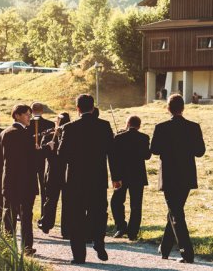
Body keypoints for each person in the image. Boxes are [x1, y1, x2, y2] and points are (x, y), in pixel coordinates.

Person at [58, 94, 115, 264]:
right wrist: (116, 177)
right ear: (93, 107)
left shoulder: (69, 127)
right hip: (98, 177)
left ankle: (79, 256)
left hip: (75, 179)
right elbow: (112, 152)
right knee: (98, 212)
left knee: (76, 216)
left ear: (78, 109)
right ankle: (98, 240)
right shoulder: (104, 126)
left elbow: (62, 155)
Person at [151, 94, 205, 263]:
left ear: (168, 108)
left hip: (169, 176)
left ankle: (186, 252)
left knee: (176, 214)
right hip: (186, 175)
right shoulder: (194, 127)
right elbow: (200, 151)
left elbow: (154, 149)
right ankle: (165, 249)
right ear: (183, 108)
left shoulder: (161, 127)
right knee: (176, 211)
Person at [1, 104, 38, 255]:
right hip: (25, 181)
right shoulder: (23, 134)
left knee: (9, 215)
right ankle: (26, 248)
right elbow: (31, 159)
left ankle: (8, 247)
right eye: (26, 114)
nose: (29, 117)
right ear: (17, 115)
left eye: (30, 114)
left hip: (10, 180)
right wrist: (46, 149)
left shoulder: (5, 132)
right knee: (25, 216)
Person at [110, 115, 151, 241]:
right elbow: (147, 156)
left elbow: (113, 159)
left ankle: (121, 226)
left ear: (127, 124)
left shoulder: (118, 137)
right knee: (136, 205)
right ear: (139, 126)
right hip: (138, 176)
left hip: (121, 175)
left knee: (116, 202)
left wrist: (115, 178)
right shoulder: (144, 137)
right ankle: (133, 233)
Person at [38, 112, 71, 237]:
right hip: (67, 171)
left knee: (50, 199)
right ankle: (66, 230)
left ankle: (46, 224)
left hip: (53, 171)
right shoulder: (71, 136)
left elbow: (42, 153)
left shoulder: (49, 136)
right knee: (67, 201)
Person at [30, 102, 55, 217]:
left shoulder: (27, 124)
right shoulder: (50, 124)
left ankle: (27, 211)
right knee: (44, 186)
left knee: (29, 186)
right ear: (43, 111)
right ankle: (44, 213)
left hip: (31, 159)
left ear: (31, 111)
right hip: (44, 159)